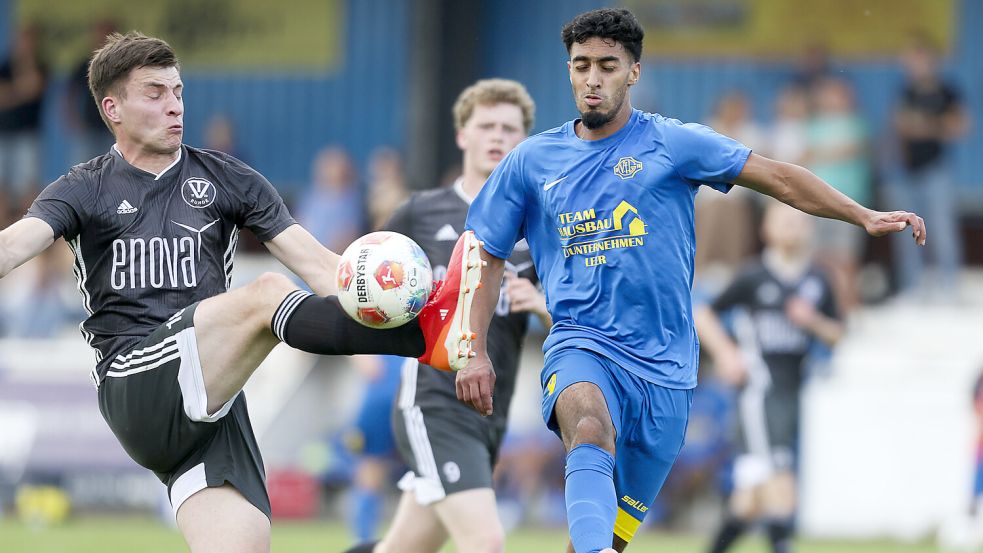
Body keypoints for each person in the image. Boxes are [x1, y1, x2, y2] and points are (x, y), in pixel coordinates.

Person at [455, 8, 926, 553]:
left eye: (607, 65)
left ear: (633, 71)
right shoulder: (532, 161)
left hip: (666, 372)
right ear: (568, 69)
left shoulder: (673, 144)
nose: (592, 78)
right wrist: (473, 350)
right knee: (587, 426)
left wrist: (862, 216)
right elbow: (484, 253)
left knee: (604, 537)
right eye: (581, 65)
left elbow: (777, 177)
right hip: (581, 344)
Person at [0, 32, 481, 553]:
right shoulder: (83, 186)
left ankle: (431, 326)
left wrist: (400, 290)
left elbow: (327, 273)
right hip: (137, 382)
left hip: (210, 406)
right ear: (112, 108)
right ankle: (427, 338)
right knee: (267, 291)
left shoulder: (227, 178)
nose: (175, 105)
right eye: (156, 93)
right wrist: (427, 324)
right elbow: (15, 246)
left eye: (178, 91)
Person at [343, 78, 549, 553]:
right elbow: (357, 277)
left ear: (524, 141)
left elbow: (569, 324)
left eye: (509, 128)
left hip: (489, 408)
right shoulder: (420, 212)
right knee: (486, 542)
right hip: (433, 400)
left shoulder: (540, 226)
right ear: (463, 136)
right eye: (486, 125)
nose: (498, 136)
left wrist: (540, 305)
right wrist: (355, 344)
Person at [696, 201, 843, 553]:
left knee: (749, 500)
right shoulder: (753, 276)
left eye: (798, 221)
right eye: (784, 221)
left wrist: (813, 322)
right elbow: (703, 313)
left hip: (791, 390)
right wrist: (727, 354)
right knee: (781, 483)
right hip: (759, 392)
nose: (792, 228)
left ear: (810, 229)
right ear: (767, 230)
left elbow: (837, 333)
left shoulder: (818, 279)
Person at [889, 32, 969, 298]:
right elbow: (899, 127)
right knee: (905, 229)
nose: (913, 65)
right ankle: (913, 287)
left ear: (931, 61)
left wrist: (923, 126)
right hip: (906, 171)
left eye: (918, 59)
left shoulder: (947, 91)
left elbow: (962, 126)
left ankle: (949, 285)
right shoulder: (905, 90)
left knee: (941, 227)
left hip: (936, 169)